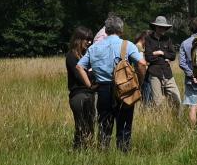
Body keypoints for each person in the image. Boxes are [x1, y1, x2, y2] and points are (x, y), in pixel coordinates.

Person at [78, 14, 146, 150]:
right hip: (125, 90)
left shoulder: (94, 47)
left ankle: (103, 155)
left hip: (103, 90)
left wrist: (90, 86)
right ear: (121, 30)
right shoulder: (127, 45)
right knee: (124, 125)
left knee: (104, 126)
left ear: (106, 30)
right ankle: (123, 154)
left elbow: (80, 66)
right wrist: (139, 82)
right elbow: (142, 63)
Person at [139, 17, 179, 111]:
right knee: (158, 102)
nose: (162, 29)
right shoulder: (148, 39)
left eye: (164, 27)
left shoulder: (167, 39)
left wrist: (161, 53)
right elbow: (148, 57)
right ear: (155, 27)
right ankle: (160, 120)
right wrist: (163, 57)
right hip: (154, 73)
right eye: (160, 27)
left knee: (177, 99)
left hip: (167, 73)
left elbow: (173, 56)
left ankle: (178, 119)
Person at [67, 26, 97, 149]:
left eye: (90, 39)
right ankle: (78, 151)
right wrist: (91, 73)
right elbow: (80, 77)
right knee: (81, 126)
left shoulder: (88, 55)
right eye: (86, 39)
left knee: (90, 125)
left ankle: (87, 150)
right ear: (78, 40)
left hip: (90, 94)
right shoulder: (71, 56)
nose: (89, 42)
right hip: (78, 95)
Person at [177, 16, 197, 126]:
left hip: (191, 79)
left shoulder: (184, 43)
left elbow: (182, 63)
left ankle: (192, 131)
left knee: (193, 106)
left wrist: (191, 75)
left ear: (190, 28)